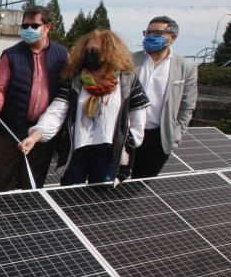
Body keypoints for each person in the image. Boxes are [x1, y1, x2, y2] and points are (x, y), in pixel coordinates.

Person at [19, 30, 150, 185]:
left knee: (100, 200)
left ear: (110, 52)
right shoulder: (75, 81)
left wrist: (127, 145)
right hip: (77, 151)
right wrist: (35, 136)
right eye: (86, 51)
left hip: (109, 154)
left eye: (95, 51)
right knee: (71, 196)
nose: (90, 54)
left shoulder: (127, 81)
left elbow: (138, 119)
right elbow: (56, 112)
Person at [0, 5, 68, 192]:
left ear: (48, 27)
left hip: (42, 132)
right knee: (3, 181)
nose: (28, 30)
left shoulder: (62, 55)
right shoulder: (11, 54)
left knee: (31, 184)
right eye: (25, 26)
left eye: (34, 26)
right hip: (11, 128)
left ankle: (23, 220)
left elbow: (66, 92)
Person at [131, 16, 198, 178]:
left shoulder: (185, 67)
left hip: (158, 138)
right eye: (148, 32)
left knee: (139, 185)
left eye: (157, 32)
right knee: (112, 184)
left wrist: (176, 134)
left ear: (172, 37)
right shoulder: (130, 60)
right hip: (127, 132)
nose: (150, 36)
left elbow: (187, 105)